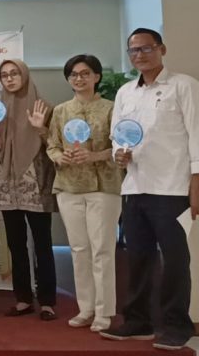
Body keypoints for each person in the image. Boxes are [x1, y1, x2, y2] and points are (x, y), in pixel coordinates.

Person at [101, 28, 199, 351]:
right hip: (134, 187)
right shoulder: (125, 92)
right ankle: (138, 322)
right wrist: (118, 153)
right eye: (133, 50)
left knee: (174, 260)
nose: (139, 55)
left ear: (162, 49)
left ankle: (177, 326)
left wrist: (196, 181)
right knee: (138, 258)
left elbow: (197, 134)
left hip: (172, 188)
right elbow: (117, 134)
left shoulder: (183, 86)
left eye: (146, 48)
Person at [47, 54, 119, 333]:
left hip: (103, 187)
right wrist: (60, 157)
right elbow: (52, 145)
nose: (79, 78)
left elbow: (122, 146)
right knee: (79, 250)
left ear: (96, 77)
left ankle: (104, 311)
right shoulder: (61, 110)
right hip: (69, 187)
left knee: (102, 250)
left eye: (85, 73)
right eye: (74, 74)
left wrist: (95, 156)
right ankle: (86, 308)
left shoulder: (112, 108)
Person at [0, 59, 57, 320]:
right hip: (8, 185)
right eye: (4, 75)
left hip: (34, 183)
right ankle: (23, 298)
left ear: (24, 75)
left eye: (14, 73)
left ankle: (47, 300)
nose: (9, 79)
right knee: (15, 244)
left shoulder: (43, 107)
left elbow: (55, 145)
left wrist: (41, 129)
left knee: (42, 244)